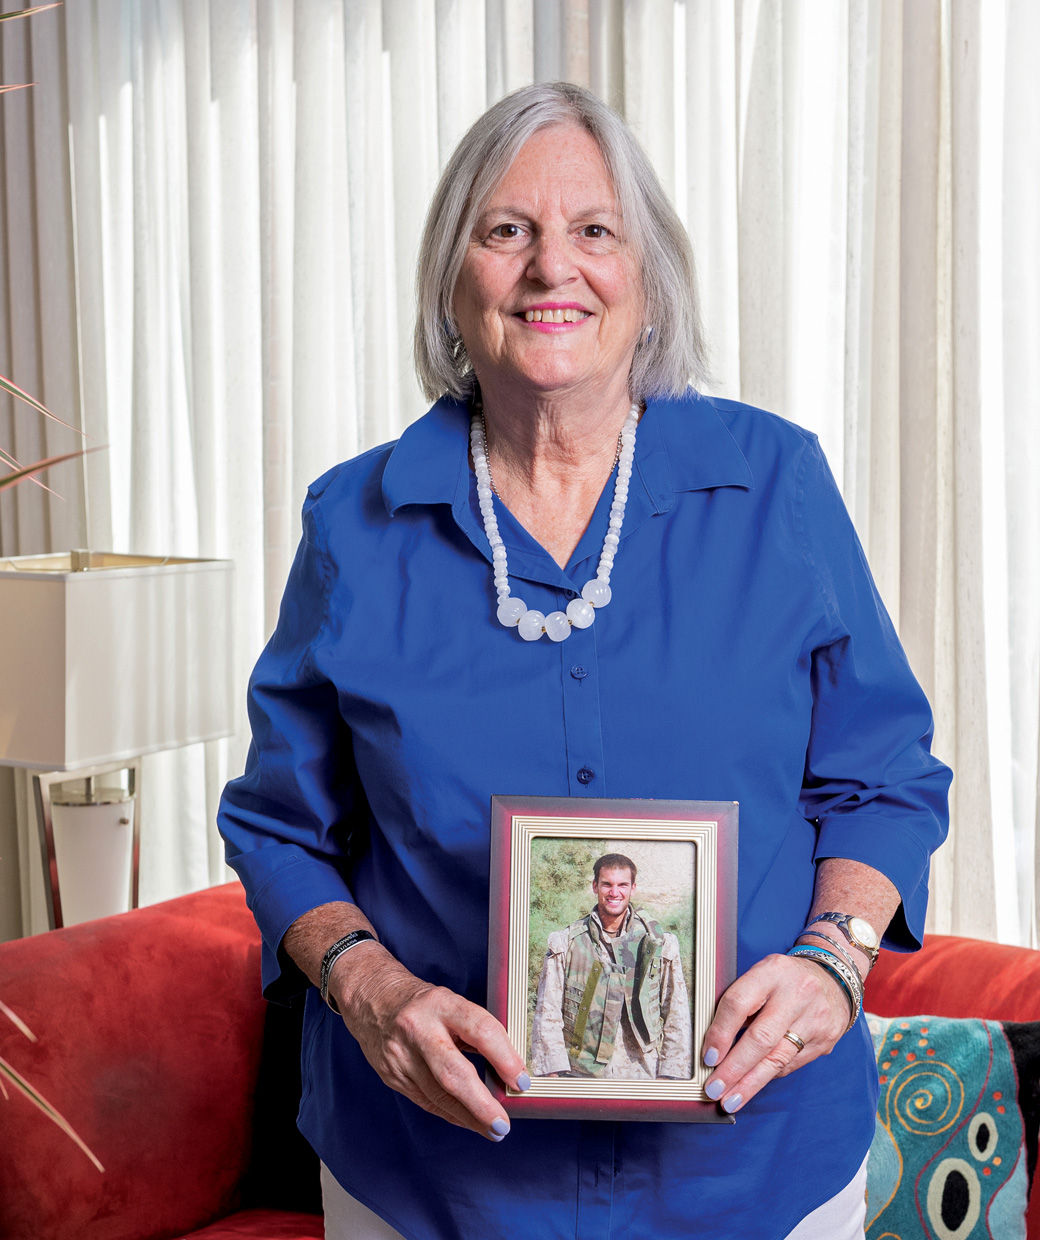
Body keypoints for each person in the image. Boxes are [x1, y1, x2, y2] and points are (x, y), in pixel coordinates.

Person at [218, 81, 951, 1240]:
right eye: (505, 230)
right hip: (427, 1172)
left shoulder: (776, 487)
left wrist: (832, 958)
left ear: (646, 280)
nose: (550, 267)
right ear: (453, 281)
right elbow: (279, 826)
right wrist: (366, 985)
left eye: (594, 232)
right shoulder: (353, 522)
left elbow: (883, 779)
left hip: (753, 1169)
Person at [530, 853, 692, 1079]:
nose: (614, 892)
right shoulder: (566, 943)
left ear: (633, 888)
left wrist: (671, 1075)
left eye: (622, 885)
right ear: (595, 886)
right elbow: (548, 1013)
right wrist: (552, 1074)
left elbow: (676, 1011)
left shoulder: (658, 944)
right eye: (607, 884)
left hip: (642, 1073)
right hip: (581, 1075)